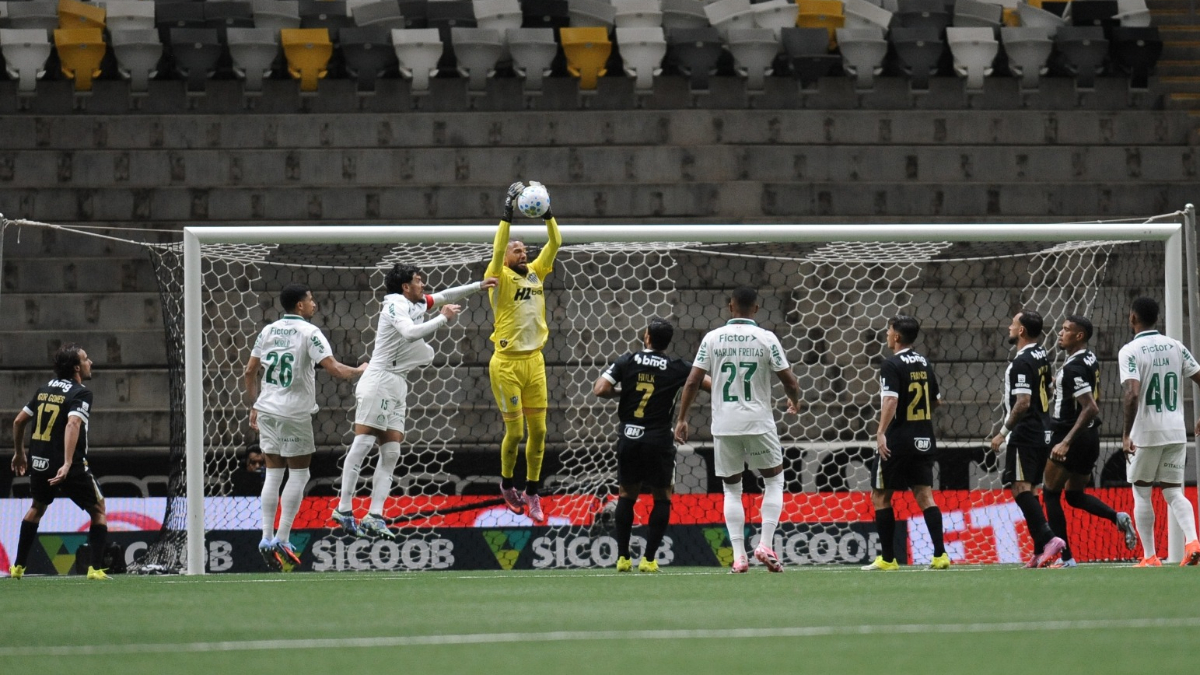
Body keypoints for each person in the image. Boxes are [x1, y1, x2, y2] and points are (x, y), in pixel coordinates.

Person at [332, 264, 495, 539]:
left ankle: (374, 515)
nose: (423, 285)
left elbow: (444, 296)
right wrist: (443, 319)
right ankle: (344, 509)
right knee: (362, 444)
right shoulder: (394, 305)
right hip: (379, 379)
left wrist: (478, 286)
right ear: (405, 287)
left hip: (397, 384)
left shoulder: (416, 302)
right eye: (418, 281)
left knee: (392, 452)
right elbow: (409, 333)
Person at [675, 286, 801, 573]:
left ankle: (739, 557)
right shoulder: (766, 338)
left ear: (730, 306)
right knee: (774, 481)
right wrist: (795, 402)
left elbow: (693, 382)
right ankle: (765, 544)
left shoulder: (712, 338)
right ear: (756, 308)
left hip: (724, 424)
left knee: (732, 490)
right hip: (758, 422)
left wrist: (682, 418)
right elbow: (790, 382)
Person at [245, 283, 365, 570]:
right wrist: (361, 371)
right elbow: (334, 369)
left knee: (273, 473)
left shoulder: (267, 331)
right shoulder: (310, 333)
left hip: (267, 410)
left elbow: (249, 371)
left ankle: (265, 537)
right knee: (299, 473)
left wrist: (254, 405)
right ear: (300, 305)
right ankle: (283, 538)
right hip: (294, 413)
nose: (314, 304)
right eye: (311, 300)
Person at [592, 318, 711, 573]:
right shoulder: (677, 367)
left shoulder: (627, 360)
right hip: (658, 440)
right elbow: (708, 383)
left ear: (646, 337)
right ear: (666, 342)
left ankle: (623, 558)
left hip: (630, 437)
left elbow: (600, 389)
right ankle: (648, 559)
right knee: (662, 498)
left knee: (626, 495)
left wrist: (622, 393)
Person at [487, 181, 562, 523]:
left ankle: (532, 493)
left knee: (541, 432)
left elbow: (556, 241)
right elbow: (500, 243)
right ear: (504, 258)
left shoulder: (535, 273)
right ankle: (506, 485)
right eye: (516, 249)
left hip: (535, 362)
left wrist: (547, 214)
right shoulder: (497, 276)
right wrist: (507, 213)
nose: (522, 252)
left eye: (523, 249)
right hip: (506, 365)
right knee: (515, 433)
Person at [1042, 315, 1136, 568]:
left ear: (1079, 336)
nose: (1060, 334)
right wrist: (1058, 384)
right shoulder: (1088, 358)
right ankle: (1117, 516)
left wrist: (1065, 443)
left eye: (1066, 330)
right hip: (1090, 437)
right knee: (1074, 495)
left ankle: (1066, 558)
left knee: (1050, 494)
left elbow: (1091, 407)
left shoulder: (1073, 368)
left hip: (1070, 435)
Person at [9, 344, 109, 580]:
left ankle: (18, 568)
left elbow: (18, 421)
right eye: (86, 359)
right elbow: (73, 424)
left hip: (40, 461)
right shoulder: (81, 393)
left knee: (37, 507)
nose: (90, 362)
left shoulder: (44, 389)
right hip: (70, 465)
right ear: (76, 367)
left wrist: (19, 453)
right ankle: (95, 569)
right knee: (98, 509)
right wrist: (66, 463)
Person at [861, 316, 951, 571]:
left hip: (898, 440)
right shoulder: (924, 362)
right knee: (924, 495)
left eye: (889, 331)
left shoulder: (891, 364)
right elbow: (936, 401)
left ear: (897, 336)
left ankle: (888, 559)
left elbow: (890, 401)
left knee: (880, 495)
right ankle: (940, 555)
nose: (887, 335)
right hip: (924, 437)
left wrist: (881, 432)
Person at [1118, 297, 1200, 567]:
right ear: (1157, 318)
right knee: (1174, 492)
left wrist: (1126, 434)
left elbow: (1131, 393)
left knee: (1141, 492)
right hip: (1176, 431)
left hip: (1146, 433)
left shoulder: (1130, 350)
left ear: (1132, 318)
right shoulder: (1176, 346)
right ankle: (1193, 542)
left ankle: (1150, 556)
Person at [990, 310, 1066, 568]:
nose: (1009, 327)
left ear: (1021, 330)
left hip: (1026, 432)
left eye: (1013, 324)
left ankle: (1049, 539)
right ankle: (1038, 553)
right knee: (1032, 490)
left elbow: (1022, 403)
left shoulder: (1021, 362)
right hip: (1043, 431)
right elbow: (1048, 385)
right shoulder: (1042, 354)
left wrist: (1002, 432)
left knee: (1018, 488)